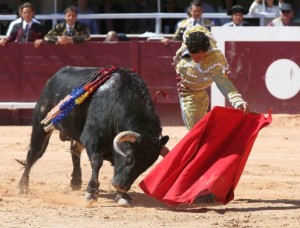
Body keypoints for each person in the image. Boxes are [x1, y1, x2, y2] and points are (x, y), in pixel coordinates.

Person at [173, 25, 249, 130]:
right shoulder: (190, 40)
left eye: (199, 57)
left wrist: (237, 101)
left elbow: (223, 82)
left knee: (196, 132)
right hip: (188, 90)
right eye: (193, 56)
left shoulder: (213, 60)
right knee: (197, 131)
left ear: (206, 51)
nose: (196, 60)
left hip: (194, 95)